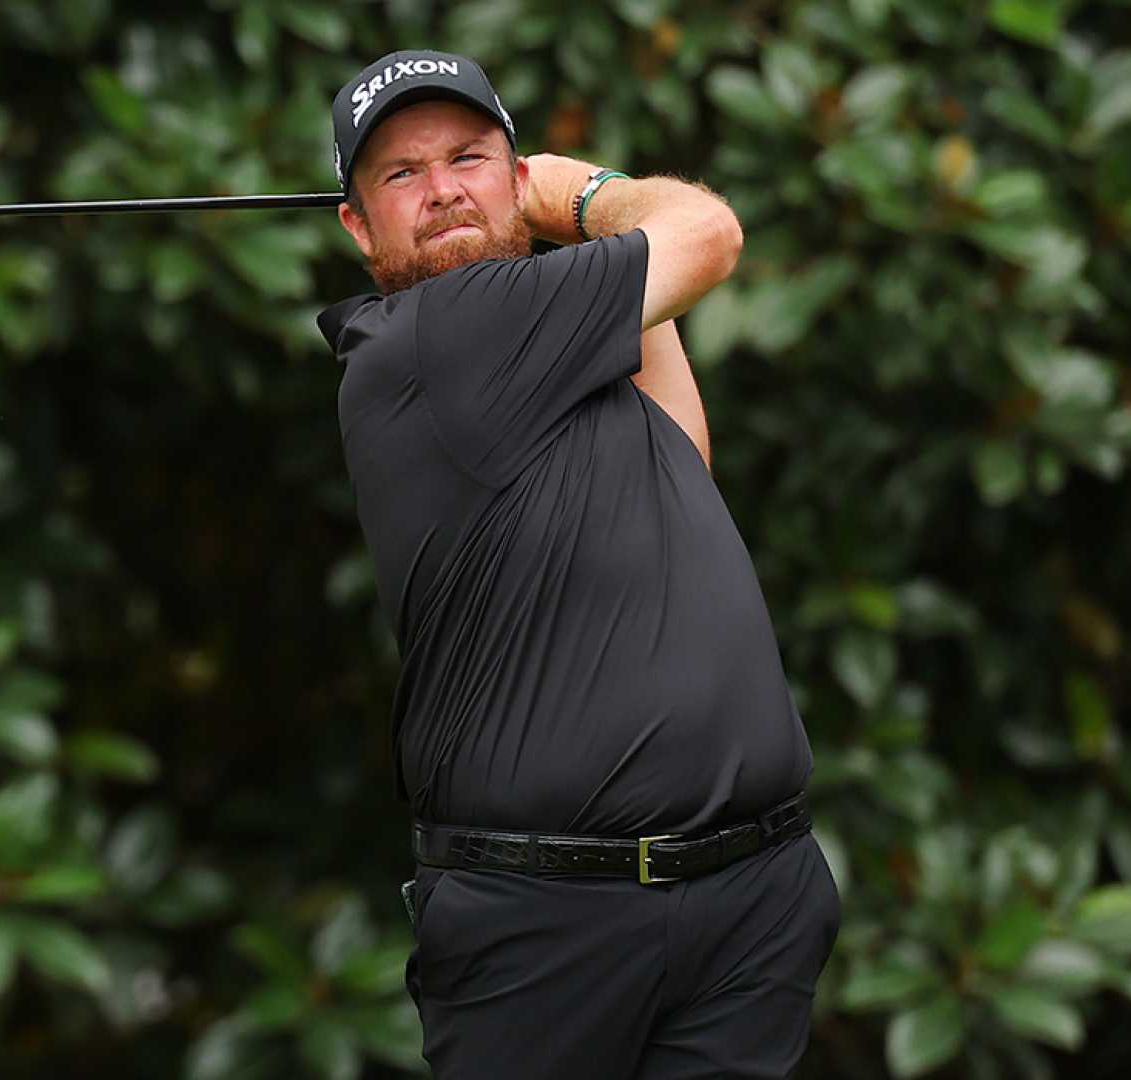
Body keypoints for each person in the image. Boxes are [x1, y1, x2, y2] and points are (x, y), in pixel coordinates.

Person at [317, 51, 840, 1080]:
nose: (441, 192)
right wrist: (583, 191)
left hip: (749, 901)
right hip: (551, 928)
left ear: (512, 180)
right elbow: (708, 234)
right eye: (400, 175)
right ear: (356, 227)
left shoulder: (558, 358)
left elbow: (680, 455)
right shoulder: (430, 340)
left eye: (468, 158)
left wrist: (567, 213)